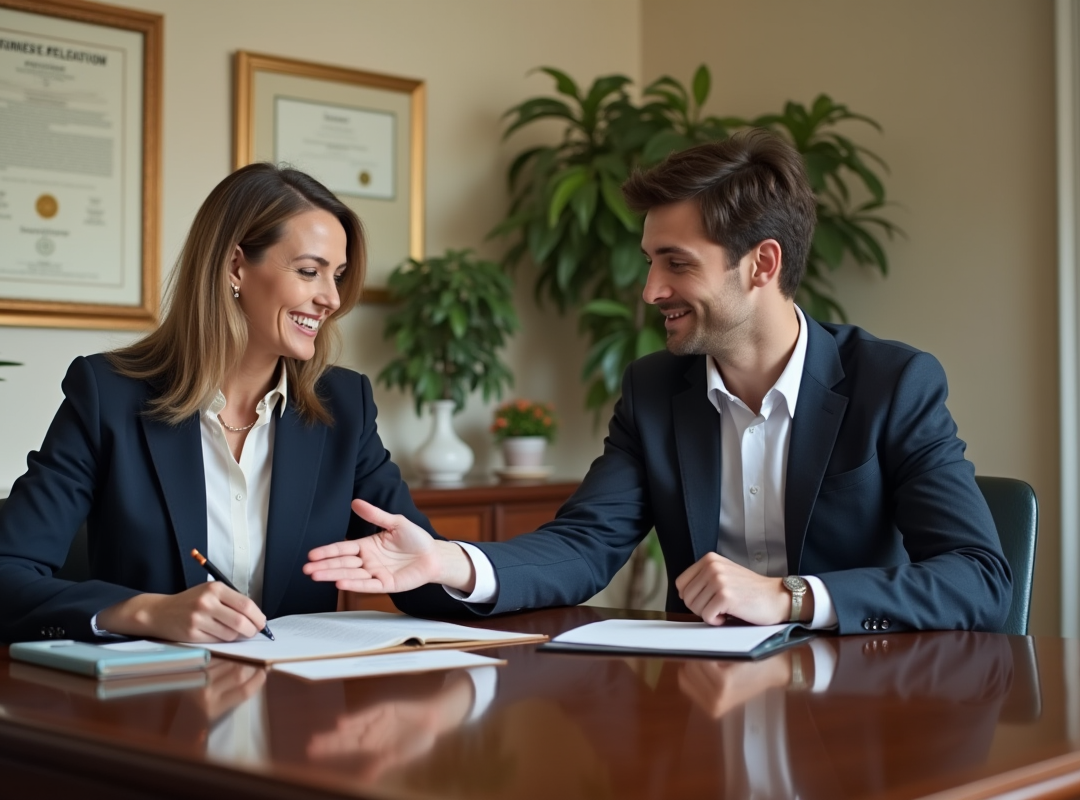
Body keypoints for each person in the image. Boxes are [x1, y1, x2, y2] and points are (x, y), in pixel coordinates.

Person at [304, 130, 1012, 634]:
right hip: (701, 713)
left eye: (675, 264)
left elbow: (977, 577)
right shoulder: (654, 392)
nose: (649, 290)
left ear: (761, 265)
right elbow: (583, 545)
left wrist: (790, 598)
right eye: (649, 262)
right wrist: (446, 560)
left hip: (866, 714)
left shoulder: (893, 384)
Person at [0, 163, 451, 644]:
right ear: (235, 266)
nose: (332, 299)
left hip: (297, 709)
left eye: (337, 276)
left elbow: (422, 569)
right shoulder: (107, 394)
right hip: (149, 709)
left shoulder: (344, 406)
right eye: (309, 271)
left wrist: (454, 568)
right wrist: (146, 612)